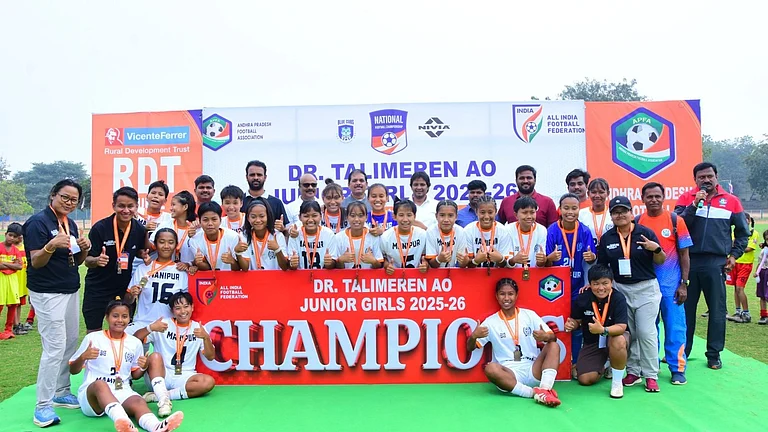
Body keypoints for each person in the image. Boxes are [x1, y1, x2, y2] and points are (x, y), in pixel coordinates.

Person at [23, 179, 91, 426]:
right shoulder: (37, 223)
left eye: (74, 200)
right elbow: (36, 262)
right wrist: (51, 246)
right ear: (53, 195)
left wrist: (84, 248)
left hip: (70, 289)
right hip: (47, 292)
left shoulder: (69, 223)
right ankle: (42, 406)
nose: (69, 203)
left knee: (70, 342)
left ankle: (62, 391)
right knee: (54, 346)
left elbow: (78, 260)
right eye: (65, 197)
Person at [674, 162, 750, 369]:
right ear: (695, 180)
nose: (706, 180)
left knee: (717, 311)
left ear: (716, 177)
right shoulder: (686, 199)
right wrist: (694, 205)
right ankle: (683, 352)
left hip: (716, 263)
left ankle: (714, 354)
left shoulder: (731, 201)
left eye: (709, 176)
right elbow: (677, 224)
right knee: (685, 310)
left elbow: (743, 233)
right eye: (701, 177)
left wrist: (734, 254)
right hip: (689, 262)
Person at [69, 297, 184, 432]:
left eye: (124, 316)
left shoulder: (134, 342)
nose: (120, 320)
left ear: (129, 319)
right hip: (93, 396)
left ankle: (156, 427)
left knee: (138, 401)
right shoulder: (93, 338)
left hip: (121, 390)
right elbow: (73, 370)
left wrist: (143, 366)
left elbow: (135, 375)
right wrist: (83, 357)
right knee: (100, 384)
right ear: (107, 317)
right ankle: (124, 422)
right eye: (115, 316)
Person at [598, 195, 666, 392]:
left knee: (646, 332)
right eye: (615, 212)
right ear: (611, 216)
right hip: (620, 288)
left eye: (623, 211)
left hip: (646, 288)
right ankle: (634, 372)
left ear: (631, 212)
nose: (620, 215)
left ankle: (651, 375)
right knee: (631, 332)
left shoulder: (645, 233)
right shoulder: (608, 237)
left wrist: (657, 249)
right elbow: (603, 265)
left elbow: (660, 260)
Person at [467, 278, 562, 407]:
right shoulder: (491, 322)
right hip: (510, 374)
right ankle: (532, 393)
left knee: (554, 346)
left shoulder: (529, 315)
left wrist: (545, 336)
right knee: (490, 368)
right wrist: (473, 336)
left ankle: (545, 389)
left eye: (510, 294)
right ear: (497, 296)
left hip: (532, 368)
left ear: (516, 295)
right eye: (502, 294)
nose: (506, 298)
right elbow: (470, 348)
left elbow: (553, 338)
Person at [638, 182, 692, 384]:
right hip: (646, 286)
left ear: (663, 197)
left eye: (657, 196)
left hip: (672, 287)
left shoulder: (675, 220)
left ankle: (677, 368)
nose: (653, 200)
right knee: (649, 329)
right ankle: (652, 367)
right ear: (643, 199)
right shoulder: (637, 221)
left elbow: (685, 254)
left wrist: (684, 283)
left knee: (675, 327)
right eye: (649, 196)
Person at [132, 292, 215, 418]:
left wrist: (206, 338)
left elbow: (210, 356)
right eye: (178, 308)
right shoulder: (163, 324)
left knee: (207, 382)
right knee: (155, 356)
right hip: (160, 373)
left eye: (186, 306)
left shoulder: (199, 328)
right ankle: (163, 401)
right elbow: (134, 340)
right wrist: (150, 328)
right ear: (172, 311)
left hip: (184, 374)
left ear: (192, 307)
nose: (182, 311)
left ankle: (160, 396)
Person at [84, 187, 149, 332]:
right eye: (121, 206)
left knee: (123, 331)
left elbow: (137, 249)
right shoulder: (100, 228)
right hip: (98, 288)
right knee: (93, 332)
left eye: (130, 206)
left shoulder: (139, 229)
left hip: (123, 287)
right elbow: (87, 260)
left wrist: (142, 254)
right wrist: (96, 260)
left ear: (136, 207)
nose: (126, 210)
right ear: (113, 206)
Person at [545, 193, 596, 366]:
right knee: (557, 324)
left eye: (574, 208)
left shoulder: (584, 230)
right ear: (560, 209)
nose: (570, 212)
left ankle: (574, 363)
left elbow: (592, 257)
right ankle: (556, 362)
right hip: (556, 287)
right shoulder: (552, 230)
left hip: (577, 287)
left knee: (577, 325)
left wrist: (591, 257)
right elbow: (545, 261)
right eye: (566, 208)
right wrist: (550, 257)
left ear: (579, 209)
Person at [565, 264, 629, 399]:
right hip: (593, 343)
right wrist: (572, 324)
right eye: (596, 284)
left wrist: (603, 330)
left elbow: (622, 327)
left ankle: (617, 383)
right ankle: (606, 364)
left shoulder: (618, 298)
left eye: (605, 283)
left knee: (617, 340)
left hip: (614, 338)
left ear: (611, 282)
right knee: (585, 379)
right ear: (590, 284)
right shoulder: (583, 298)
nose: (601, 288)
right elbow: (576, 321)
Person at [125, 228, 191, 337]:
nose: (166, 246)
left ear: (176, 245)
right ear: (155, 244)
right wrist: (132, 294)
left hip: (169, 324)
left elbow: (187, 303)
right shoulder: (143, 268)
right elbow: (128, 300)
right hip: (143, 322)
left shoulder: (181, 271)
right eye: (161, 242)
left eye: (170, 242)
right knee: (122, 337)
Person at [189, 202, 242, 271]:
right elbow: (207, 268)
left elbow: (240, 268)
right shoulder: (194, 240)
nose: (210, 223)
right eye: (205, 220)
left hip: (231, 279)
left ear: (220, 220)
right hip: (210, 279)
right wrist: (199, 263)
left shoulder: (233, 237)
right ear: (199, 221)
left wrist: (232, 261)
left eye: (214, 219)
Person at [726, 212, 759, 323]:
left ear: (749, 221)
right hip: (735, 262)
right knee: (736, 288)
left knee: (740, 288)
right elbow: (730, 245)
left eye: (746, 220)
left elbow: (749, 248)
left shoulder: (753, 233)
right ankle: (738, 311)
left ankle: (746, 313)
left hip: (745, 264)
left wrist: (737, 246)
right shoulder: (734, 234)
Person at [237, 199, 288, 271]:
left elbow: (285, 267)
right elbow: (245, 268)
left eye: (262, 216)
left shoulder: (277, 235)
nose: (258, 220)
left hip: (275, 280)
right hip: (252, 280)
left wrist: (277, 250)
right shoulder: (244, 236)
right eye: (253, 217)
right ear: (248, 218)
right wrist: (238, 253)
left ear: (268, 216)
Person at [464, 195, 512, 268]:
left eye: (490, 212)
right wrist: (476, 261)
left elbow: (506, 265)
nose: (486, 217)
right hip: (473, 276)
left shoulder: (504, 231)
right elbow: (465, 264)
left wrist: (500, 260)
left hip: (497, 276)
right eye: (482, 212)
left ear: (495, 212)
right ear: (476, 212)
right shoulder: (468, 231)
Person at [381, 200, 429, 273]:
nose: (405, 220)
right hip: (393, 278)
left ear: (414, 216)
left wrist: (425, 264)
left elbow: (426, 257)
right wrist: (386, 265)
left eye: (409, 215)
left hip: (418, 278)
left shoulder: (422, 234)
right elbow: (382, 258)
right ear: (394, 216)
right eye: (401, 215)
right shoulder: (386, 237)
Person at [153, 190, 198, 267]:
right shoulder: (165, 225)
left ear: (185, 207)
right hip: (168, 272)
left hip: (190, 273)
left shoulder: (197, 229)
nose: (171, 209)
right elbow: (152, 246)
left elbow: (204, 256)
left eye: (173, 205)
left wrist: (189, 264)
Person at [332, 201, 383, 269]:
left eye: (360, 215)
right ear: (347, 217)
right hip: (346, 279)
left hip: (367, 278)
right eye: (352, 215)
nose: (356, 219)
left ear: (366, 217)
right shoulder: (338, 237)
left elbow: (380, 265)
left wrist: (374, 261)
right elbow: (336, 268)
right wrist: (341, 261)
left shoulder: (373, 237)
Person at [286, 201, 337, 269]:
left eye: (314, 216)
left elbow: (333, 263)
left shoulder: (328, 234)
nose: (310, 220)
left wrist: (329, 263)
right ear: (299, 217)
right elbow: (291, 265)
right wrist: (292, 264)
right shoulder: (295, 235)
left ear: (321, 216)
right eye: (306, 216)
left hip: (322, 277)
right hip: (300, 277)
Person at [241, 160, 288, 233]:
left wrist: (283, 229)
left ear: (265, 177)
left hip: (271, 243)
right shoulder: (239, 201)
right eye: (252, 175)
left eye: (259, 175)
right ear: (246, 177)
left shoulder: (276, 202)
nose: (256, 178)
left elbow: (286, 230)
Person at [506, 197, 548, 269]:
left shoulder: (542, 230)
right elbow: (505, 261)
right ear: (516, 215)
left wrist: (542, 261)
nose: (529, 216)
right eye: (524, 213)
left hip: (534, 274)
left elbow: (540, 262)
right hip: (512, 275)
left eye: (532, 212)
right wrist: (513, 260)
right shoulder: (507, 229)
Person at [425, 200, 470, 268]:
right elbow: (431, 264)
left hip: (453, 273)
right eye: (442, 215)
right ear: (436, 216)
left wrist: (464, 262)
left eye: (450, 215)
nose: (446, 219)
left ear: (456, 217)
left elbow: (462, 263)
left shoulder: (460, 231)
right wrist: (439, 259)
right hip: (435, 274)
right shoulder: (431, 231)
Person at [0, 223, 24, 339]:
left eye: (15, 236)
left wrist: (3, 264)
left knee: (13, 304)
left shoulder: (16, 250)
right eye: (10, 235)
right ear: (5, 234)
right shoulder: (0, 247)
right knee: (0, 304)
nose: (12, 238)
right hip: (1, 279)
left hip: (13, 280)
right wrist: (11, 265)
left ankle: (8, 330)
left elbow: (20, 266)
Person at [578, 178, 613, 248]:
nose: (597, 195)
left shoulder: (613, 213)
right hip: (588, 254)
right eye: (593, 192)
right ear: (588, 193)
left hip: (609, 254)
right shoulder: (581, 214)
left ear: (608, 193)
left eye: (601, 192)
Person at [753, 230, 768, 325]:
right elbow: (760, 262)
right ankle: (764, 316)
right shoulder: (764, 250)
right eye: (767, 239)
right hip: (762, 273)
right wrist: (756, 272)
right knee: (762, 294)